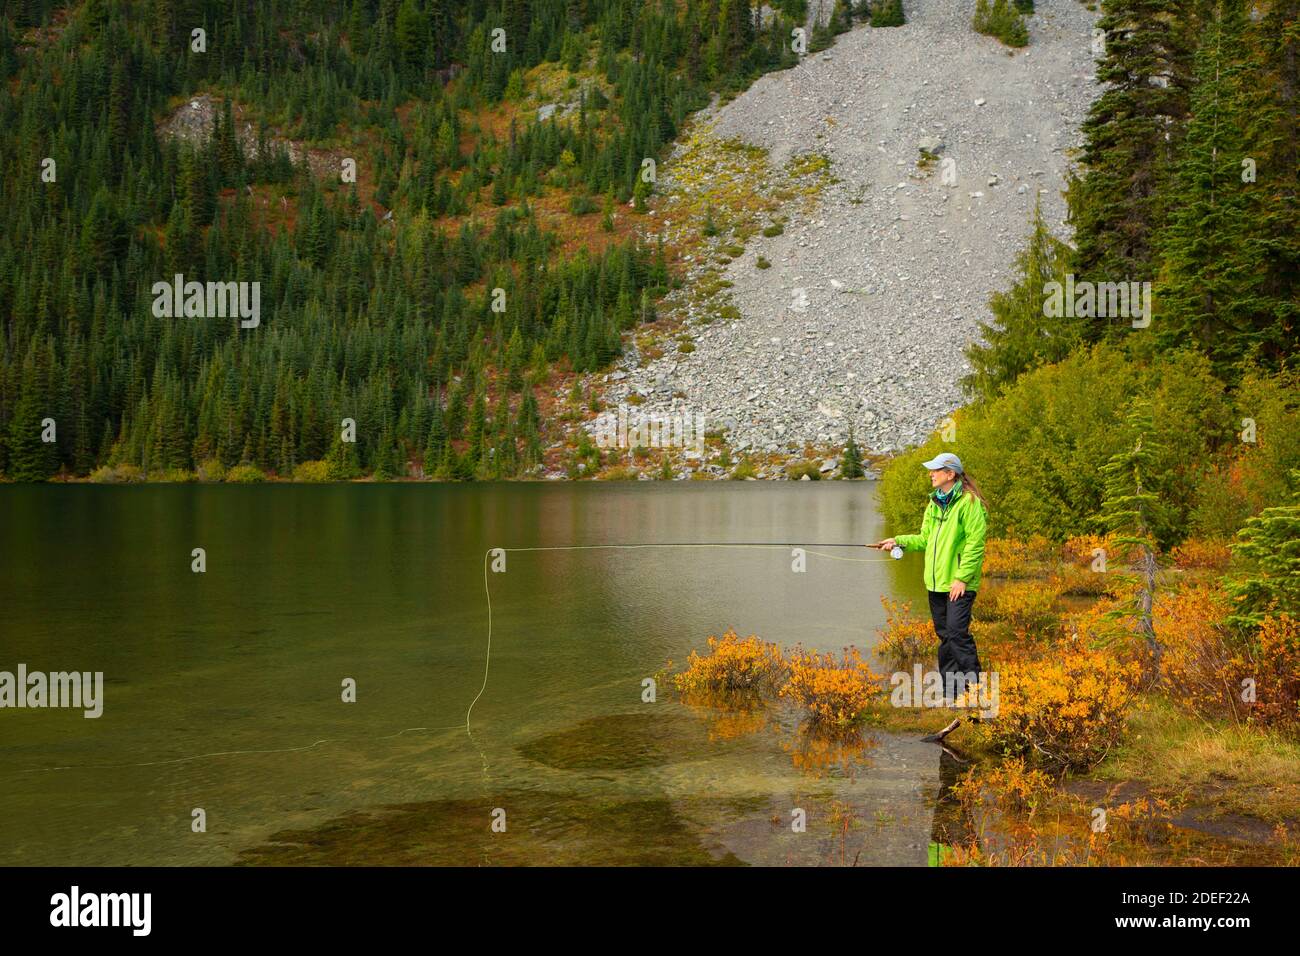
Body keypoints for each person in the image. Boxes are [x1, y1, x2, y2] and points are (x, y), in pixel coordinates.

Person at [872, 452, 988, 742]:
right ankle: (952, 695)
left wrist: (961, 578)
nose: (931, 474)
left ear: (950, 473)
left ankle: (978, 696)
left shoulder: (969, 503)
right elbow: (925, 539)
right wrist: (897, 540)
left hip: (958, 584)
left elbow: (976, 543)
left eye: (935, 470)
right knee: (945, 637)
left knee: (958, 634)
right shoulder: (934, 502)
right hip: (936, 585)